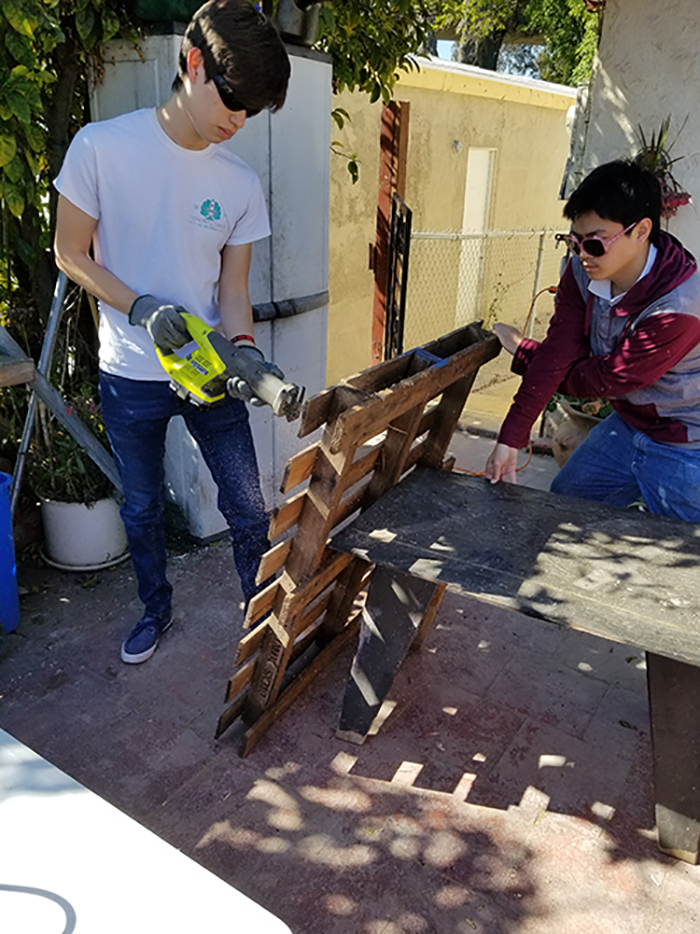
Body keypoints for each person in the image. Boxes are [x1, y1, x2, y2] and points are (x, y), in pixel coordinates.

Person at [53, 0, 291, 664]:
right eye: (233, 99)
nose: (238, 121)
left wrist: (245, 354)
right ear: (194, 63)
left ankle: (260, 625)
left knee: (247, 507)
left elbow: (234, 290)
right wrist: (139, 307)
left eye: (252, 111)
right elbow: (70, 253)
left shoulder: (239, 183)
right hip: (130, 373)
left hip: (210, 372)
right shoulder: (100, 148)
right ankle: (156, 611)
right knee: (142, 508)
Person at [485, 159, 700, 522]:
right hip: (629, 423)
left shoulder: (679, 307)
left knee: (684, 549)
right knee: (568, 502)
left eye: (595, 244)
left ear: (641, 230)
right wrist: (511, 437)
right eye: (575, 242)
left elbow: (605, 378)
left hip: (687, 440)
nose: (583, 255)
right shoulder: (581, 274)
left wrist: (524, 354)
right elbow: (560, 352)